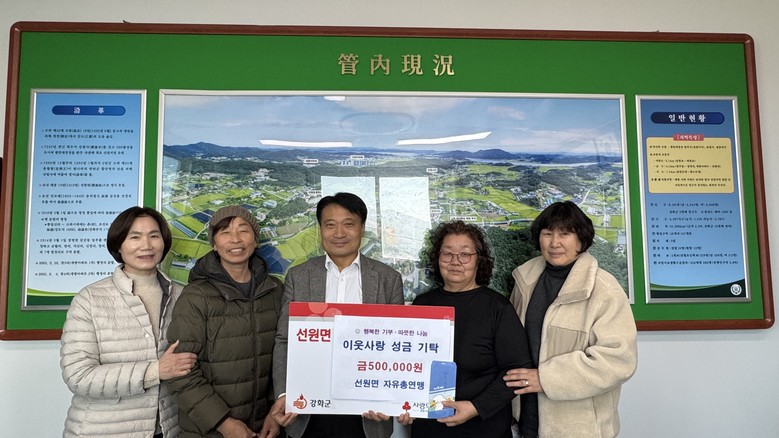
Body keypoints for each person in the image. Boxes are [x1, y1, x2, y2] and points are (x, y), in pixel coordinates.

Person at [270, 192, 405, 438]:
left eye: (348, 224)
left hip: (366, 414)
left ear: (362, 228)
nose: (339, 233)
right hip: (308, 410)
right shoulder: (299, 276)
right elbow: (284, 340)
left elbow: (393, 347)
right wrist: (284, 393)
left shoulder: (388, 279)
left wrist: (390, 399)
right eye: (330, 225)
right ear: (320, 229)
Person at [504, 200, 638, 438]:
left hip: (578, 427)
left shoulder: (604, 289)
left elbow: (618, 360)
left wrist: (546, 378)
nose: (555, 243)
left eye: (565, 234)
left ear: (581, 239)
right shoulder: (525, 280)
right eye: (548, 234)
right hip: (526, 419)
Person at [60, 206, 197, 438]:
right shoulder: (90, 299)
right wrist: (155, 371)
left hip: (167, 429)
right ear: (118, 245)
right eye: (135, 237)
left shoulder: (181, 296)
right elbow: (79, 376)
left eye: (154, 236)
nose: (146, 245)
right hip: (102, 431)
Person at [166, 205, 284, 438]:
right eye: (225, 232)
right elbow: (181, 372)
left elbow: (283, 356)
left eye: (243, 230)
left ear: (255, 240)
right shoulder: (196, 297)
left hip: (263, 427)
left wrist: (275, 411)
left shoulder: (274, 290)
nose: (235, 239)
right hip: (208, 431)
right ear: (214, 243)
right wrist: (223, 423)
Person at [407, 220, 532, 437]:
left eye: (465, 254)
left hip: (484, 426)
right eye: (447, 254)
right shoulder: (422, 304)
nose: (455, 261)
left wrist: (476, 407)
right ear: (437, 258)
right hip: (429, 427)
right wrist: (402, 403)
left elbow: (517, 371)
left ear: (478, 260)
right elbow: (406, 364)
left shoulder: (498, 308)